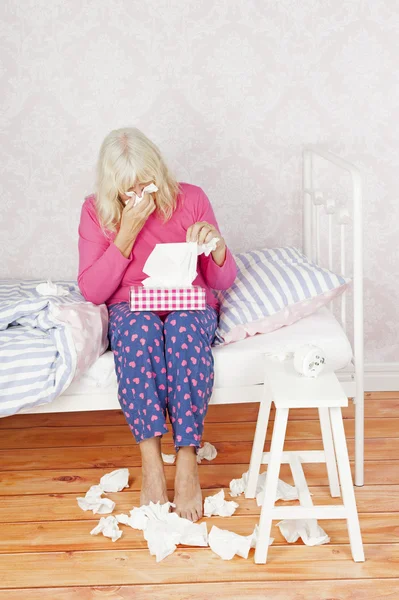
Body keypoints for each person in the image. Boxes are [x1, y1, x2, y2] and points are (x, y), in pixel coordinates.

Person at [77, 127, 237, 522]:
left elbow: (222, 281)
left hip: (189, 299)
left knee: (183, 334)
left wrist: (216, 246)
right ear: (113, 187)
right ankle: (151, 459)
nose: (141, 195)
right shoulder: (95, 211)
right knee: (139, 333)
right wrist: (127, 233)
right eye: (129, 189)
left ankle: (187, 458)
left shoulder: (192, 198)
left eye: (147, 182)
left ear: (159, 172)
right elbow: (93, 290)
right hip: (133, 304)